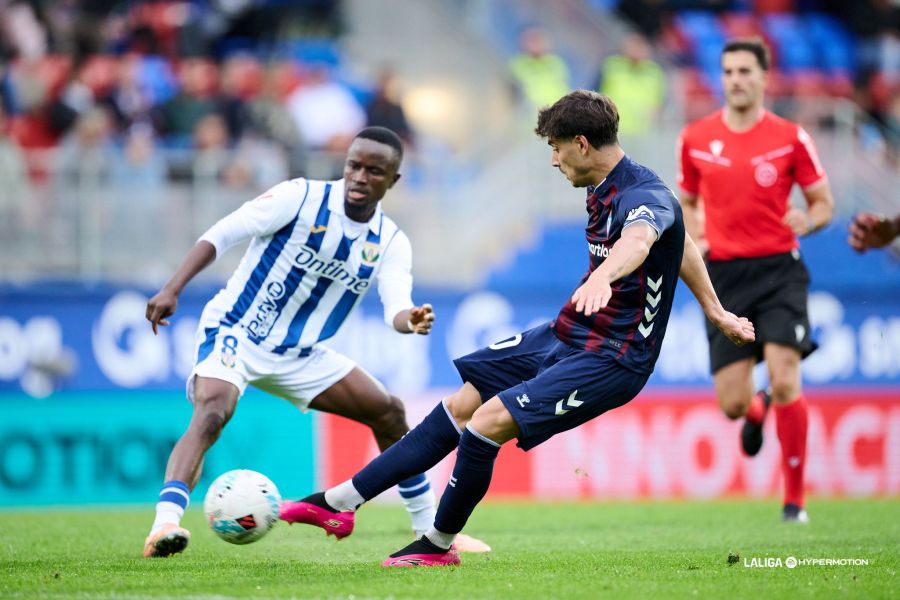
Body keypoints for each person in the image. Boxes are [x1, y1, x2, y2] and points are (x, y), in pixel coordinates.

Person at [276, 90, 755, 567]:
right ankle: (337, 503)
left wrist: (607, 277)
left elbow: (643, 238)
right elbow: (683, 242)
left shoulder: (644, 196)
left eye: (557, 147)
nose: (552, 159)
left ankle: (438, 545)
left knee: (486, 424)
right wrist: (715, 311)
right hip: (570, 331)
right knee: (463, 403)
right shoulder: (599, 184)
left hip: (615, 356)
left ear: (582, 144)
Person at [142, 126, 489, 558]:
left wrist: (410, 319)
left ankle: (435, 535)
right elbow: (224, 232)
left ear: (393, 181)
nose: (360, 177)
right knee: (214, 410)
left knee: (389, 412)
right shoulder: (300, 198)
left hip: (300, 354)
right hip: (237, 330)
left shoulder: (390, 241)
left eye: (374, 171)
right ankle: (165, 526)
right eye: (353, 166)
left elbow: (395, 306)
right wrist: (173, 287)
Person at [676, 38, 835, 524]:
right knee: (731, 404)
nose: (736, 80)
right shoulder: (696, 137)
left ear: (765, 77)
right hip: (723, 275)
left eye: (745, 71)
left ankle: (795, 502)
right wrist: (698, 234)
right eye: (727, 72)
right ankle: (757, 407)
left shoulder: (790, 136)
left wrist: (811, 220)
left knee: (787, 377)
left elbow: (823, 202)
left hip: (779, 271)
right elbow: (685, 201)